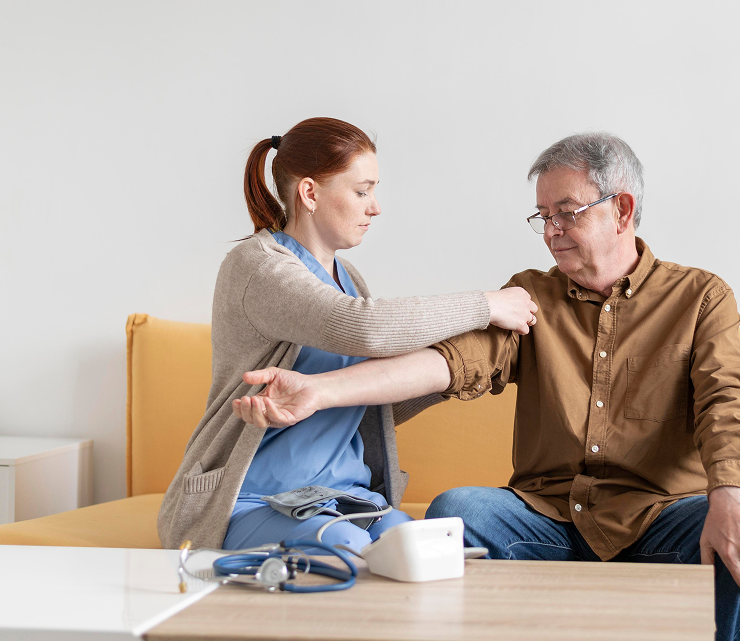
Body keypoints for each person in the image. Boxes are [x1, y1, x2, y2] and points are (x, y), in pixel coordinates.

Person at [232, 132, 740, 641]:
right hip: (549, 520)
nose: (552, 231)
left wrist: (733, 492)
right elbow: (449, 364)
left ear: (623, 209)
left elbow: (727, 400)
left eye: (568, 213)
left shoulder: (700, 296)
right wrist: (320, 391)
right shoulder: (532, 294)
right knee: (458, 512)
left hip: (657, 516)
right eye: (543, 217)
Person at [157, 117, 537, 553]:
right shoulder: (257, 266)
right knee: (346, 549)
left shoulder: (348, 277)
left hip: (346, 498)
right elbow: (365, 327)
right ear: (310, 193)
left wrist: (453, 372)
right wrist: (486, 305)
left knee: (423, 552)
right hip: (252, 499)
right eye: (362, 191)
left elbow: (364, 405)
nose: (375, 206)